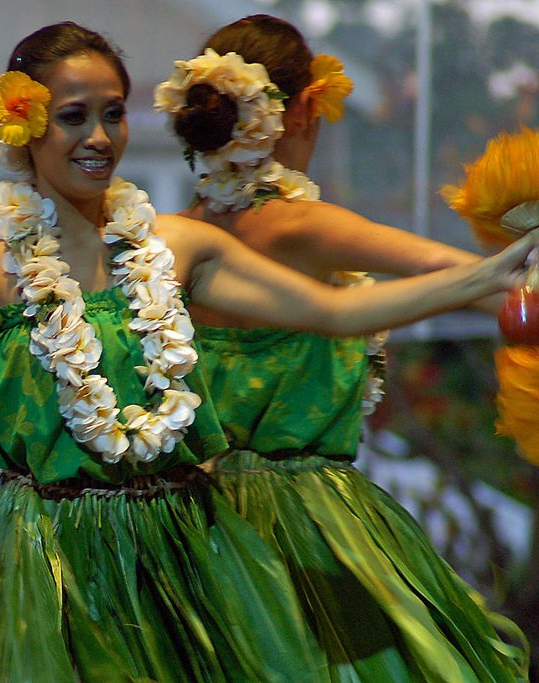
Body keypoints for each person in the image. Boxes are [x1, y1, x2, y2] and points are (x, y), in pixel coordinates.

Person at [0, 22, 538, 682]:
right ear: (20, 121)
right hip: (42, 559)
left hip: (179, 548)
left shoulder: (172, 247)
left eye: (114, 113)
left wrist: (475, 283)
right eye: (73, 117)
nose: (99, 137)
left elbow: (330, 311)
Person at [155, 13, 528, 681]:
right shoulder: (299, 224)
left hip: (188, 515)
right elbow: (443, 270)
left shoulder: (176, 234)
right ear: (301, 110)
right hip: (301, 516)